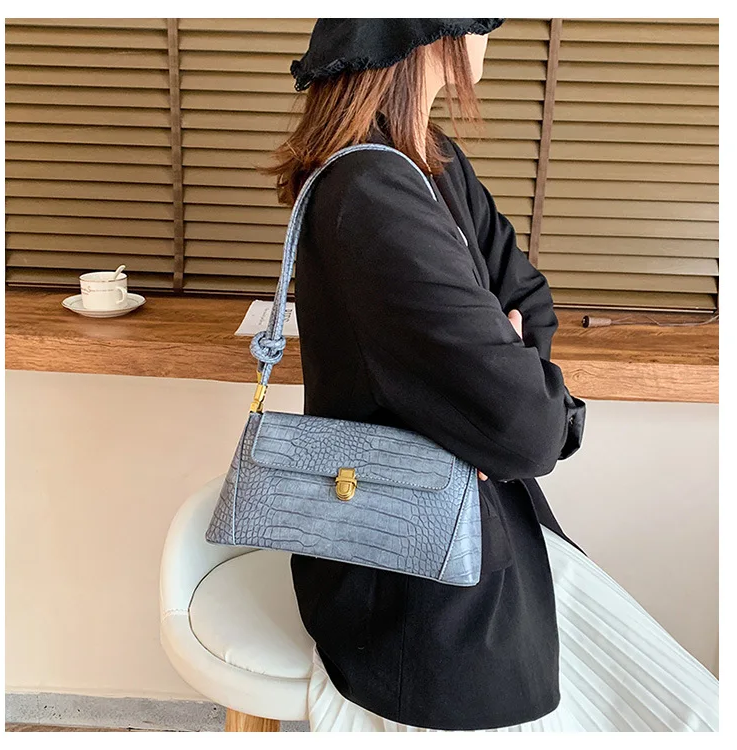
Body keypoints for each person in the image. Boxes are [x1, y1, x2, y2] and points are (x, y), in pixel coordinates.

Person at [261, 19, 719, 732]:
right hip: (415, 588)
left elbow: (528, 300)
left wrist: (497, 377)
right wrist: (499, 391)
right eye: (483, 20)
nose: (491, 34)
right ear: (428, 32)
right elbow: (526, 430)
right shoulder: (371, 192)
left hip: (465, 534)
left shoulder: (430, 161)